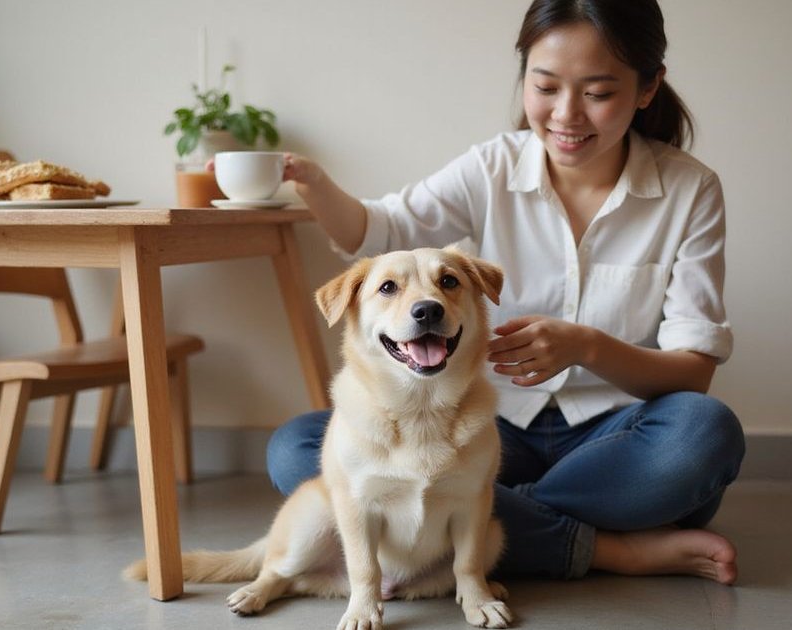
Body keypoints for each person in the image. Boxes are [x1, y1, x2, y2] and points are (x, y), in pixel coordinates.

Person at [262, 0, 744, 585]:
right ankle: (607, 549)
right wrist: (310, 181)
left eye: (597, 93)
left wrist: (587, 347)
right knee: (299, 447)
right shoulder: (492, 167)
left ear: (648, 89)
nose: (567, 114)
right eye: (545, 87)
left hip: (611, 436)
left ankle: (489, 509)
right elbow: (377, 231)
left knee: (703, 435)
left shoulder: (690, 191)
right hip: (485, 427)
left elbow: (693, 373)